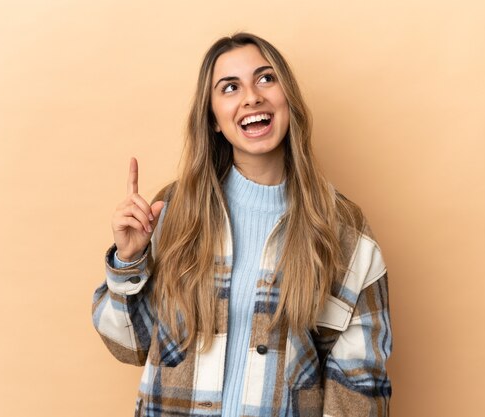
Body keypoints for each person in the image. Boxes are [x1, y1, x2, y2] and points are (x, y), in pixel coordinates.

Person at [92, 32, 392, 417]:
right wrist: (129, 262)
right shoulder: (174, 211)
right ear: (214, 119)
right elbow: (128, 345)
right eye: (230, 87)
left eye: (266, 78)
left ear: (289, 100)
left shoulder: (343, 231)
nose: (252, 96)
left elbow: (361, 384)